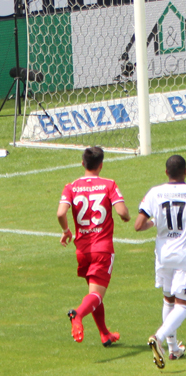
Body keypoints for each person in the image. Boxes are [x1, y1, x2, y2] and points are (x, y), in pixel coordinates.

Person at [135, 155, 186, 368]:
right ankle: (159, 337)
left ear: (166, 172)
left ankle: (173, 350)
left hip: (163, 256)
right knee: (183, 305)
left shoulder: (155, 192)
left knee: (168, 300)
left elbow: (139, 225)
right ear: (185, 172)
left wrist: (155, 223)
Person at [58, 147, 130, 347]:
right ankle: (78, 314)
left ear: (83, 163)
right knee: (96, 295)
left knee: (93, 293)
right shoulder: (109, 184)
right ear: (101, 165)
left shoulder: (71, 186)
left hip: (82, 250)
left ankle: (105, 334)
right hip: (102, 249)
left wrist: (66, 231)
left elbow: (60, 213)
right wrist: (126, 216)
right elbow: (122, 211)